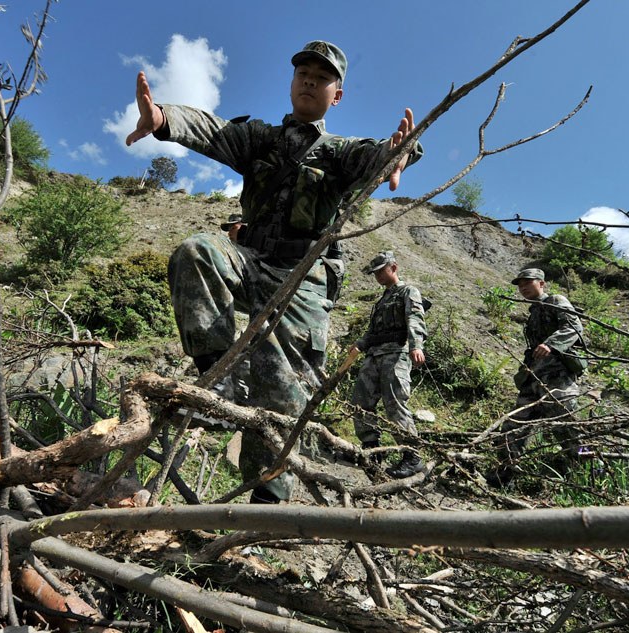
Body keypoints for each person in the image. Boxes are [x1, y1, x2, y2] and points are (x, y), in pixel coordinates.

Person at [126, 40, 423, 503]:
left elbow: (377, 155)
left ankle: (266, 507)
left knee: (283, 396)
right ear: (291, 82)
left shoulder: (339, 152)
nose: (309, 80)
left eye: (321, 77)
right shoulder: (261, 139)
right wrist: (163, 118)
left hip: (302, 278)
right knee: (197, 250)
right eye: (303, 72)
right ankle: (220, 381)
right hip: (252, 262)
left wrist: (399, 151)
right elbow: (212, 129)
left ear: (336, 95)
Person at [488, 268, 585, 487]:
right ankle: (506, 474)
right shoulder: (534, 313)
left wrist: (550, 344)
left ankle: (587, 473)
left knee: (567, 427)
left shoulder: (556, 301)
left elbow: (574, 326)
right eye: (520, 284)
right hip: (534, 380)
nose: (522, 287)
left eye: (527, 282)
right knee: (514, 426)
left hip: (557, 378)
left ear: (541, 283)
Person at [349, 251, 428, 478]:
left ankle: (412, 456)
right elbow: (374, 331)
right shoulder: (382, 300)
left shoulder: (408, 291)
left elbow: (415, 317)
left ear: (394, 268)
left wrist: (416, 345)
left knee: (394, 403)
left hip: (397, 353)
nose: (378, 277)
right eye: (375, 273)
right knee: (360, 401)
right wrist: (360, 344)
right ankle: (372, 450)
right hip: (374, 355)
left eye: (381, 271)